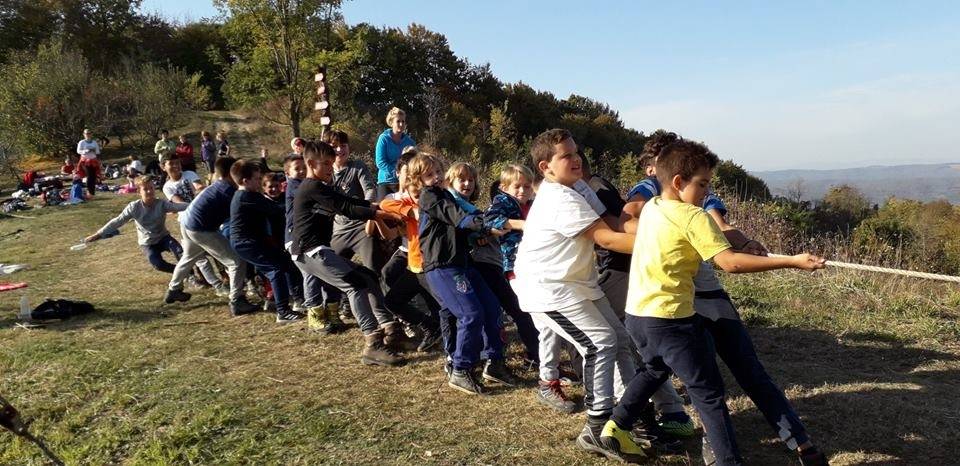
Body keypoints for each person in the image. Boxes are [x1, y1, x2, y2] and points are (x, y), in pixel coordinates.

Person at [600, 139, 827, 465]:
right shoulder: (693, 217)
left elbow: (716, 234)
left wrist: (742, 242)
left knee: (654, 368)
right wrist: (792, 261)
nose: (707, 192)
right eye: (703, 184)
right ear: (678, 181)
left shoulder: (653, 207)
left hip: (638, 315)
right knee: (708, 394)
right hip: (672, 319)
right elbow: (729, 263)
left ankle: (617, 425)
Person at [510, 128, 641, 461]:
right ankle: (597, 427)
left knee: (619, 339)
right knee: (600, 343)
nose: (576, 159)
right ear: (545, 167)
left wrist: (660, 227)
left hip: (577, 283)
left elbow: (612, 222)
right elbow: (606, 239)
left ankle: (630, 416)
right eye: (566, 155)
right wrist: (666, 244)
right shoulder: (560, 199)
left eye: (576, 152)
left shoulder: (578, 186)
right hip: (549, 288)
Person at [290, 140, 404, 366]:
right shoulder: (311, 187)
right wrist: (380, 214)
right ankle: (372, 343)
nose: (331, 168)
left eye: (332, 163)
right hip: (309, 251)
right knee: (355, 285)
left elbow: (348, 201)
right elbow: (347, 209)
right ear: (311, 164)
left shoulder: (323, 187)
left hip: (319, 250)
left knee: (369, 277)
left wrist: (375, 207)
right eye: (326, 164)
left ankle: (390, 330)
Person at [414, 154, 518, 395]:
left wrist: (481, 233)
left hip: (463, 264)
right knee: (470, 314)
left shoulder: (449, 196)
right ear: (419, 180)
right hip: (443, 266)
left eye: (437, 171)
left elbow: (461, 227)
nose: (436, 177)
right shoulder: (430, 197)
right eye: (429, 175)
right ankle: (460, 368)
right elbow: (457, 218)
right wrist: (486, 224)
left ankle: (494, 362)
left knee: (491, 308)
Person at [163, 156, 259, 316]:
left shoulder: (220, 185)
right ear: (230, 173)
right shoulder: (228, 191)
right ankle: (237, 301)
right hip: (200, 228)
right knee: (236, 262)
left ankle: (174, 289)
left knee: (189, 257)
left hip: (188, 223)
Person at [229, 159, 303, 323]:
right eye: (256, 179)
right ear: (245, 181)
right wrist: (298, 203)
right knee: (275, 270)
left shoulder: (251, 195)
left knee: (286, 263)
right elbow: (275, 210)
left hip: (255, 241)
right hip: (246, 243)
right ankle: (282, 311)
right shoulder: (246, 196)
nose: (259, 181)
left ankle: (296, 300)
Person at [283, 153, 343, 334]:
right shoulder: (296, 187)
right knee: (311, 276)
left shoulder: (313, 185)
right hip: (297, 240)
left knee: (328, 274)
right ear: (287, 174)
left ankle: (332, 311)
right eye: (297, 169)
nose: (302, 171)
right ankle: (315, 314)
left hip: (316, 239)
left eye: (304, 167)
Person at [83, 176, 186, 273]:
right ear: (138, 191)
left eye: (151, 188)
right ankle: (182, 272)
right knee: (158, 265)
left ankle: (190, 275)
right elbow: (117, 221)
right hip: (148, 243)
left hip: (163, 238)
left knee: (179, 251)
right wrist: (98, 234)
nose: (149, 191)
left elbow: (178, 207)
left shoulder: (161, 204)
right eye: (145, 189)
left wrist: (195, 204)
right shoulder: (134, 207)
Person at [162, 157, 227, 294]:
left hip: (205, 217)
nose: (175, 166)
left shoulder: (189, 174)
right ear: (163, 167)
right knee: (199, 257)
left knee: (216, 249)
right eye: (171, 164)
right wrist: (198, 202)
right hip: (187, 222)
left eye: (177, 162)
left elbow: (199, 187)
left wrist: (202, 189)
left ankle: (225, 278)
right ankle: (216, 284)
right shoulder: (167, 187)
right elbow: (178, 202)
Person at [374, 107, 415, 200]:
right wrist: (396, 173)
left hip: (405, 182)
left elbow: (415, 162)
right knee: (382, 207)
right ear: (391, 122)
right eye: (398, 121)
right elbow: (380, 162)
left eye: (403, 121)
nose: (401, 124)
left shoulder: (410, 142)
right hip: (386, 182)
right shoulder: (384, 139)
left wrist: (405, 175)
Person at [75, 129, 102, 196]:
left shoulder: (94, 142)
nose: (88, 134)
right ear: (84, 134)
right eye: (86, 133)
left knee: (94, 176)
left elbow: (98, 152)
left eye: (89, 133)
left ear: (91, 134)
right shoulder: (82, 142)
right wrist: (86, 151)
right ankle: (89, 192)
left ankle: (92, 192)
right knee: (89, 176)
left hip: (93, 161)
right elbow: (78, 151)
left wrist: (94, 150)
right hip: (85, 161)